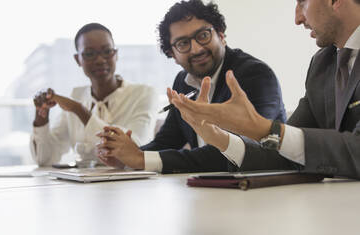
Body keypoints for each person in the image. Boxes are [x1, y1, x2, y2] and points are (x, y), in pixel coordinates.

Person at [170, 0, 360, 179]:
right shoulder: (323, 63)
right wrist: (220, 139)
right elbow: (286, 153)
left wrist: (263, 129)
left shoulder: (255, 72)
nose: (298, 19)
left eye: (303, 1)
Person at [96, 0, 286, 173]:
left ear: (221, 34)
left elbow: (238, 151)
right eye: (183, 43)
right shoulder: (182, 82)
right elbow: (168, 140)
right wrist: (126, 155)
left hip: (260, 189)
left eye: (203, 35)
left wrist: (141, 159)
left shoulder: (254, 75)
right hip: (210, 189)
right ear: (173, 54)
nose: (196, 49)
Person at [30, 23, 158, 166]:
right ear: (78, 59)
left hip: (133, 185)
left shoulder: (144, 94)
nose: (100, 60)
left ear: (116, 54)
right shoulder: (76, 95)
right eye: (90, 54)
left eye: (107, 51)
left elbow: (134, 149)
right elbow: (45, 159)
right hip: (83, 185)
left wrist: (79, 110)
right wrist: (41, 116)